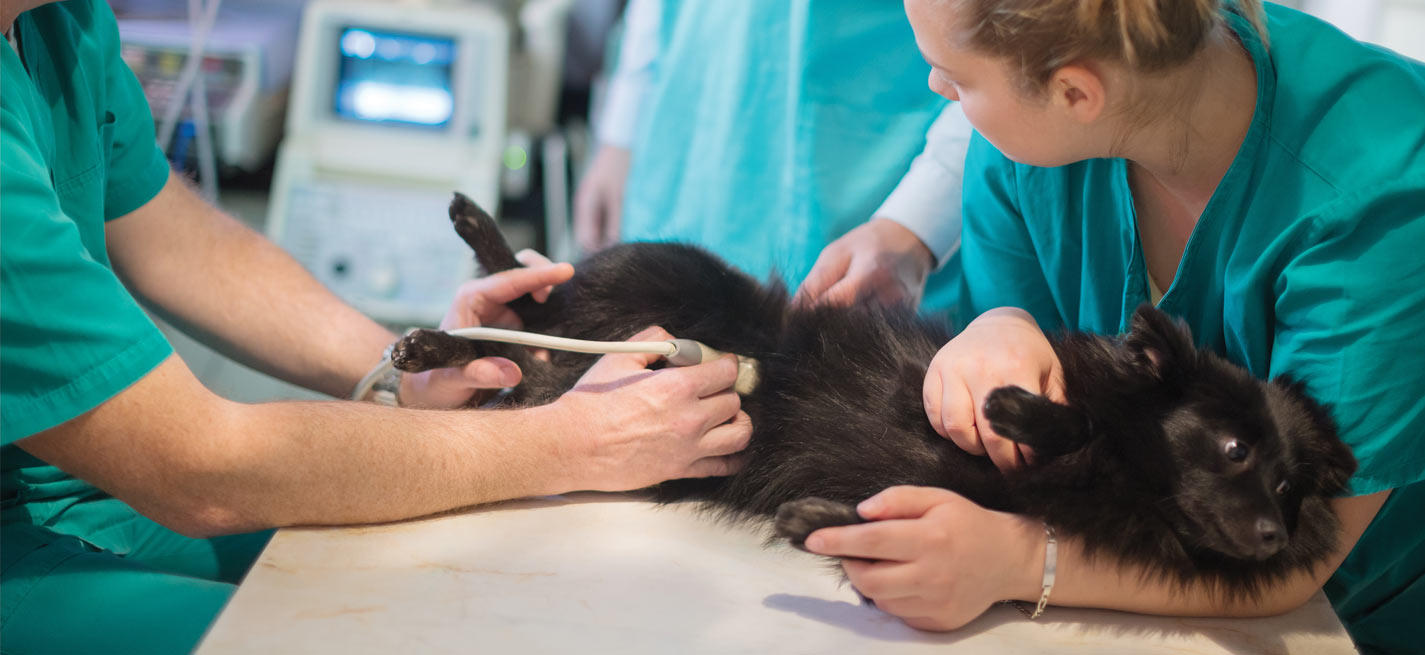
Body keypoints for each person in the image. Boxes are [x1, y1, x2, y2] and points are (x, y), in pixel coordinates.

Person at [0, 2, 751, 652]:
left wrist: (398, 375)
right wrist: (571, 442)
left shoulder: (60, 24)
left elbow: (171, 234)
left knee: (454, 580)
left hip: (87, 488)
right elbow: (200, 467)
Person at [799, 1, 1424, 653]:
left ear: (1074, 91)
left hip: (1345, 619)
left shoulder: (1383, 207)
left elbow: (1291, 550)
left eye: (955, 78)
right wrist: (998, 322)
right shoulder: (1026, 149)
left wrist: (1019, 561)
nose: (938, 90)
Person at [574, 0, 973, 314]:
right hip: (682, 152)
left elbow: (1003, 44)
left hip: (867, 188)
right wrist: (622, 132)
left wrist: (915, 225)